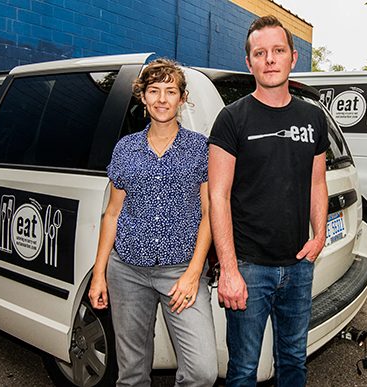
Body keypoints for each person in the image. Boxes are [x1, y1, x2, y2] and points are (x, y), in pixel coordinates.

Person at [207, 15, 330, 387]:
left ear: (293, 57)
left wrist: (319, 235)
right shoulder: (231, 119)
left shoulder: (312, 117)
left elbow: (317, 182)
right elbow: (218, 195)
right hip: (248, 268)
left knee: (293, 362)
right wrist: (229, 269)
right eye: (260, 53)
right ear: (249, 63)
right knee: (243, 369)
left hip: (298, 265)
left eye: (278, 51)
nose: (270, 59)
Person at [88, 58, 218, 387]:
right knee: (131, 374)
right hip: (127, 270)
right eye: (154, 90)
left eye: (170, 91)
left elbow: (210, 213)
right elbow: (112, 214)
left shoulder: (200, 148)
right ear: (143, 97)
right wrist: (98, 275)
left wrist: (192, 274)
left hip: (180, 272)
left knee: (203, 372)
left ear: (182, 97)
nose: (162, 98)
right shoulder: (126, 148)